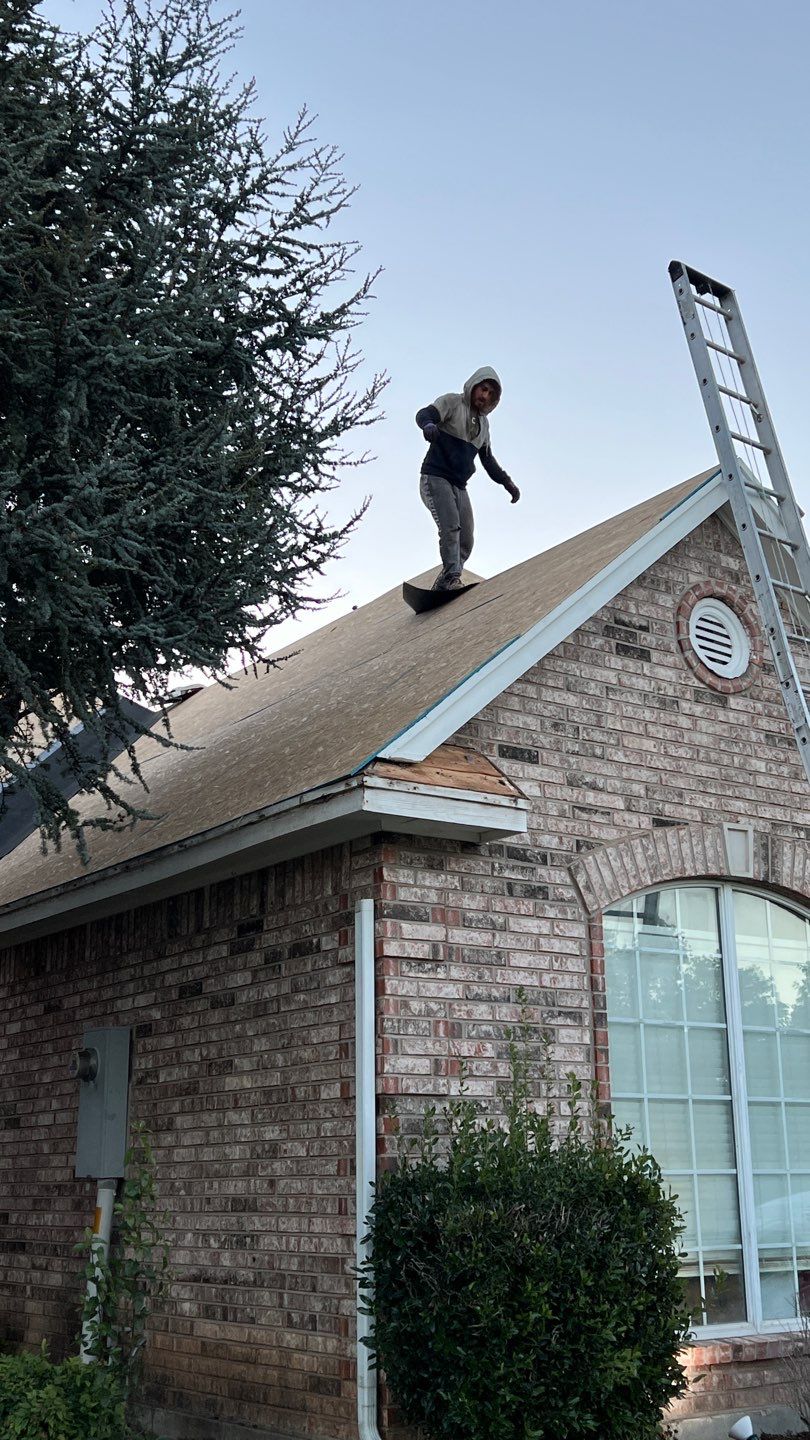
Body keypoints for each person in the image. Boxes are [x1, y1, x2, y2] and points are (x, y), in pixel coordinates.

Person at [415, 366, 520, 591]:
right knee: (450, 526)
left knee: (466, 539)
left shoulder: (483, 425)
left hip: (459, 485)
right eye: (483, 389)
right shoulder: (452, 402)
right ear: (474, 385)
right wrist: (429, 425)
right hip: (435, 477)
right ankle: (452, 577)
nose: (485, 396)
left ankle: (446, 580)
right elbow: (424, 414)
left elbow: (488, 460)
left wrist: (507, 483)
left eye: (491, 394)